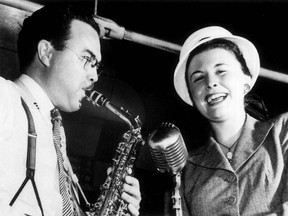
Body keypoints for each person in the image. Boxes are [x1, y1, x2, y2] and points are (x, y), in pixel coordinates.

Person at [0, 3, 141, 216]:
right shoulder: (5, 97)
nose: (94, 76)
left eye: (96, 66)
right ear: (46, 53)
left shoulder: (53, 128)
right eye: (87, 59)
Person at [168, 26, 288, 215]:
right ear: (192, 97)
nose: (210, 83)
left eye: (221, 71)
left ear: (246, 80)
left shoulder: (283, 131)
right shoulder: (185, 170)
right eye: (198, 78)